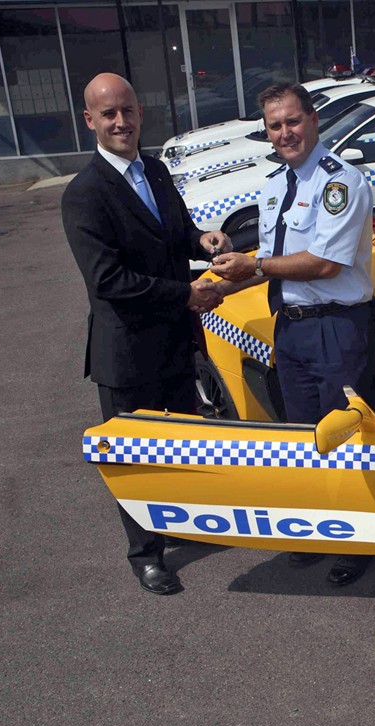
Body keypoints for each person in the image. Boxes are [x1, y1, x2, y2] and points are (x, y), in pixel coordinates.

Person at [62, 72, 230, 596]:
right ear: (90, 121)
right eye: (108, 114)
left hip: (176, 344)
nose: (120, 122)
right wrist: (185, 294)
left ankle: (182, 523)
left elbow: (175, 232)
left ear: (139, 114)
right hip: (127, 353)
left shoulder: (154, 170)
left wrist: (202, 239)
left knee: (182, 442)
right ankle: (146, 553)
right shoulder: (84, 194)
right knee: (135, 456)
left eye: (127, 111)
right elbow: (108, 280)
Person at [207, 82, 374, 586]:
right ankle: (321, 531)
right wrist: (220, 285)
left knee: (345, 442)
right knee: (302, 439)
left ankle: (359, 543)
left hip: (335, 330)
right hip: (293, 331)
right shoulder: (275, 185)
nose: (286, 133)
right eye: (275, 125)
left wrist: (253, 262)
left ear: (314, 120)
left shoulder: (341, 182)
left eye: (293, 121)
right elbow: (275, 264)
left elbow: (324, 264)